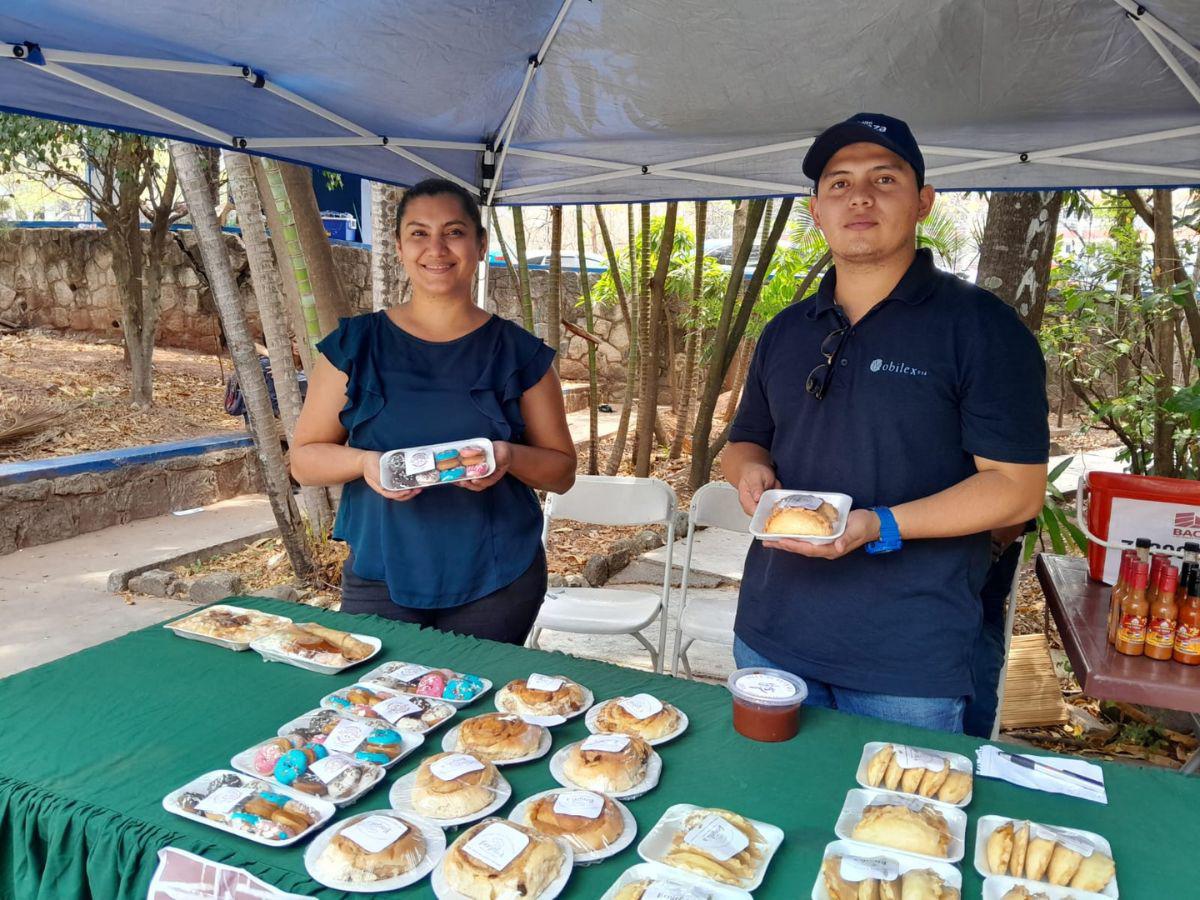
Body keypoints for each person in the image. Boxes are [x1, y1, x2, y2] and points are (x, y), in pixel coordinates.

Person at [723, 113, 1049, 733]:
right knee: (769, 811)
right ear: (816, 211)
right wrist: (750, 473)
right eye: (839, 184)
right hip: (771, 635)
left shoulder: (980, 327)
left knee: (899, 824)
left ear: (924, 201)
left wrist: (878, 524)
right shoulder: (786, 331)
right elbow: (744, 440)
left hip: (908, 658)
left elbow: (1016, 489)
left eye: (884, 179)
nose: (860, 197)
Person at [290, 178, 576, 644]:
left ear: (480, 245)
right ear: (400, 247)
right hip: (379, 570)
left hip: (497, 577)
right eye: (419, 233)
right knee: (379, 704)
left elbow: (562, 472)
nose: (436, 248)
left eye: (455, 232)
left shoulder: (520, 354)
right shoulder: (355, 345)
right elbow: (303, 460)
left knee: (479, 711)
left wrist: (506, 456)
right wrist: (365, 463)